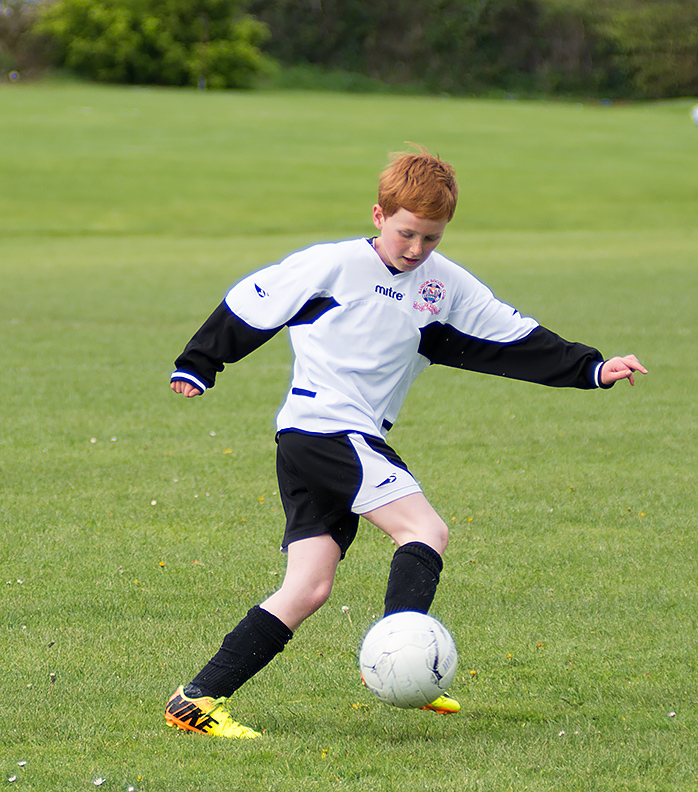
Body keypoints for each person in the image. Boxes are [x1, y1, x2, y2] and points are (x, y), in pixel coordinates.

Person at [164, 145, 647, 738]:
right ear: (378, 216)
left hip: (329, 439)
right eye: (406, 234)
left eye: (432, 239)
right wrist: (199, 363)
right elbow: (253, 302)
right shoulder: (332, 265)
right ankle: (404, 662)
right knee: (426, 530)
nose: (416, 250)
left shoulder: (444, 285)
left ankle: (196, 700)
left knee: (309, 585)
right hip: (324, 431)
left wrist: (593, 369)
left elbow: (514, 335)